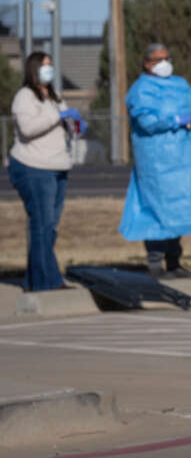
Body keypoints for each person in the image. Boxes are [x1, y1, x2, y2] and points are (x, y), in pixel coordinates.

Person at [119, 43, 191, 279]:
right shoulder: (141, 90)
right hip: (157, 160)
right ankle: (155, 263)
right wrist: (175, 119)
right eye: (159, 59)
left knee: (180, 209)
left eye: (167, 58)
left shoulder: (181, 85)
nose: (164, 63)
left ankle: (175, 262)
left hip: (184, 159)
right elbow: (146, 122)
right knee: (157, 209)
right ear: (147, 63)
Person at [7, 51, 86, 291]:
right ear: (33, 69)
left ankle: (34, 280)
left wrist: (75, 125)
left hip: (58, 165)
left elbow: (62, 126)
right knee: (41, 225)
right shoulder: (25, 96)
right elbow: (28, 128)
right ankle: (49, 281)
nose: (49, 70)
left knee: (49, 226)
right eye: (45, 66)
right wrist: (57, 115)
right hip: (33, 167)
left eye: (51, 65)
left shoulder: (54, 96)